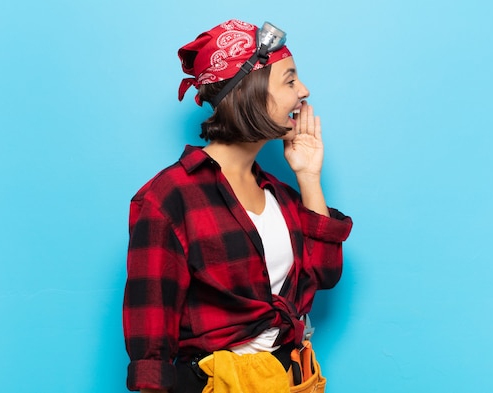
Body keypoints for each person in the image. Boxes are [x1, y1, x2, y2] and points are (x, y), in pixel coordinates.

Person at [123, 19, 353, 393]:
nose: (305, 91)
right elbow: (150, 340)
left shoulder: (277, 193)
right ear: (250, 91)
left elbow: (325, 276)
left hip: (289, 379)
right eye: (290, 80)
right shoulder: (169, 198)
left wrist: (309, 177)